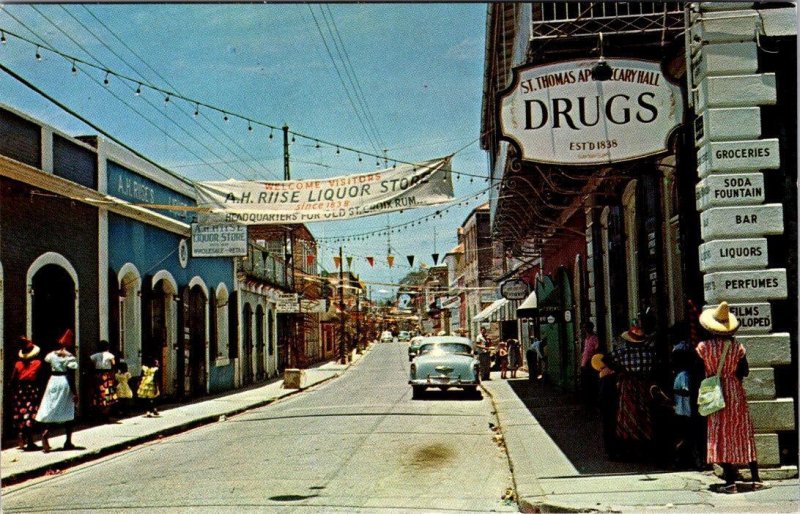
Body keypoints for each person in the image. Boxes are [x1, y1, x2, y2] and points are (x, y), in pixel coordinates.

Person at [695, 302, 761, 493]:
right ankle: (756, 478)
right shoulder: (738, 347)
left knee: (720, 433)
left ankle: (730, 480)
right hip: (735, 392)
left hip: (715, 391)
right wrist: (731, 376)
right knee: (742, 431)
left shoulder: (703, 348)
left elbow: (698, 371)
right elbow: (745, 371)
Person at [602, 325, 656, 460]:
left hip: (628, 387)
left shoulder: (623, 353)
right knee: (644, 416)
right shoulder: (650, 353)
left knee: (627, 417)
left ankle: (628, 448)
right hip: (644, 386)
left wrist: (620, 369)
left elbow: (605, 359)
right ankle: (644, 449)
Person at [35, 329, 79, 452]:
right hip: (64, 381)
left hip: (53, 381)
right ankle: (68, 441)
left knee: (51, 407)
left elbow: (45, 367)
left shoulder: (51, 355)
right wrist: (75, 392)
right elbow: (71, 375)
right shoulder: (70, 357)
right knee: (69, 410)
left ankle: (46, 431)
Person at [10, 336, 45, 451]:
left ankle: (20, 434)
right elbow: (40, 379)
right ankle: (30, 441)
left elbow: (12, 380)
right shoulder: (38, 363)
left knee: (20, 413)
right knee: (30, 415)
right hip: (32, 390)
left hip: (20, 390)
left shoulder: (18, 364)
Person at [672, 341, 697, 469]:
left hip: (684, 410)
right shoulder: (682, 373)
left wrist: (673, 392)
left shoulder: (683, 374)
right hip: (682, 409)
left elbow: (685, 390)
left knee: (685, 435)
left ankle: (682, 460)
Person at [592, 353, 619, 460]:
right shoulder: (613, 374)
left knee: (607, 429)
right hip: (614, 405)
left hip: (606, 407)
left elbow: (602, 396)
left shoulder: (603, 376)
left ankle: (611, 452)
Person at [90, 340, 118, 422]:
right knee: (107, 394)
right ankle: (105, 415)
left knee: (98, 394)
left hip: (97, 375)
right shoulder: (110, 355)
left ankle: (98, 415)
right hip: (107, 375)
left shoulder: (95, 355)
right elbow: (114, 364)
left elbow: (90, 362)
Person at [580, 322, 600, 410]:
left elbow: (597, 350)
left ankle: (592, 404)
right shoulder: (586, 339)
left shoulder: (594, 338)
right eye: (584, 328)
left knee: (591, 385)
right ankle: (587, 404)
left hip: (591, 364)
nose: (585, 330)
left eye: (586, 328)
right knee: (585, 385)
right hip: (584, 365)